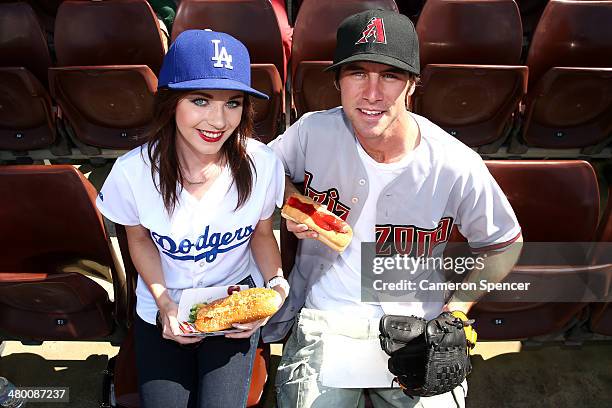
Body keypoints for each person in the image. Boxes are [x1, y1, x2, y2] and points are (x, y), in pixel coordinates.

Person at [263, 9, 523, 408]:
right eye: (357, 74)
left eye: (389, 75)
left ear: (412, 85)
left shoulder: (455, 163)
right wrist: (297, 205)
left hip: (420, 326)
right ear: (337, 82)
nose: (372, 93)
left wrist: (456, 311)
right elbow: (261, 172)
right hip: (328, 321)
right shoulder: (313, 131)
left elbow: (504, 244)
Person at [96, 29, 289, 408]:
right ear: (171, 102)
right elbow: (137, 240)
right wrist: (165, 303)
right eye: (200, 100)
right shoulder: (132, 172)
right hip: (163, 307)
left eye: (233, 103)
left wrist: (276, 287)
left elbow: (263, 235)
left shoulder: (263, 163)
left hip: (233, 303)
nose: (218, 120)